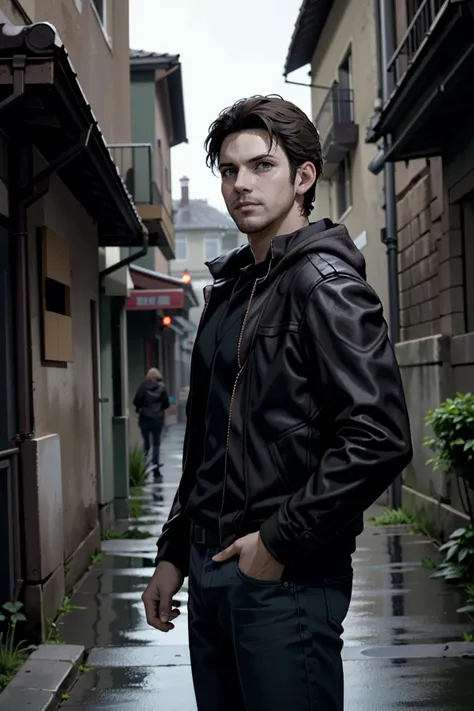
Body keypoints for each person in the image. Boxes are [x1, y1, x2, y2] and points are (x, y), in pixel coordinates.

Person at [142, 95, 412, 710]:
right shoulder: (231, 291)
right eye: (230, 170)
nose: (241, 184)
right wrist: (173, 553)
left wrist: (278, 543)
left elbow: (380, 436)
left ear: (304, 177)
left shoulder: (326, 285)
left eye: (262, 166)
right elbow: (211, 441)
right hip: (211, 571)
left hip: (285, 578)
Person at [133, 368, 169, 471]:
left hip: (144, 418)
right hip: (157, 419)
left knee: (146, 442)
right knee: (156, 442)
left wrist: (141, 407)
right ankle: (156, 465)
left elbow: (136, 400)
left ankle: (144, 465)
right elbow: (166, 404)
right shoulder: (162, 388)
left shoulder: (143, 386)